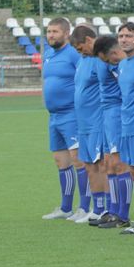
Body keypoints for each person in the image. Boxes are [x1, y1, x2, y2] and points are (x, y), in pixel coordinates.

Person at [40, 17, 87, 220]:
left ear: (66, 33)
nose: (50, 35)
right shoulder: (48, 54)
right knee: (60, 161)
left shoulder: (74, 54)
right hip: (54, 116)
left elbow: (84, 79)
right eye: (49, 31)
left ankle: (84, 207)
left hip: (71, 114)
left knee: (78, 160)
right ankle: (66, 207)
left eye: (55, 32)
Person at [107, 22, 134, 234]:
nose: (125, 39)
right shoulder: (123, 65)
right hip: (126, 125)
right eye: (121, 36)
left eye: (129, 35)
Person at [69, 25, 109, 224]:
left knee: (101, 164)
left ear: (88, 40)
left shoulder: (100, 60)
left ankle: (107, 208)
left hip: (97, 121)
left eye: (80, 48)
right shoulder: (83, 60)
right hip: (83, 123)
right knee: (89, 164)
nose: (81, 52)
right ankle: (97, 207)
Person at [93, 34, 132, 228]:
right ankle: (113, 210)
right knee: (110, 163)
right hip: (108, 115)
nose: (108, 63)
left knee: (119, 164)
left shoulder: (123, 65)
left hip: (117, 114)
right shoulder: (113, 64)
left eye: (107, 59)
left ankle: (122, 214)